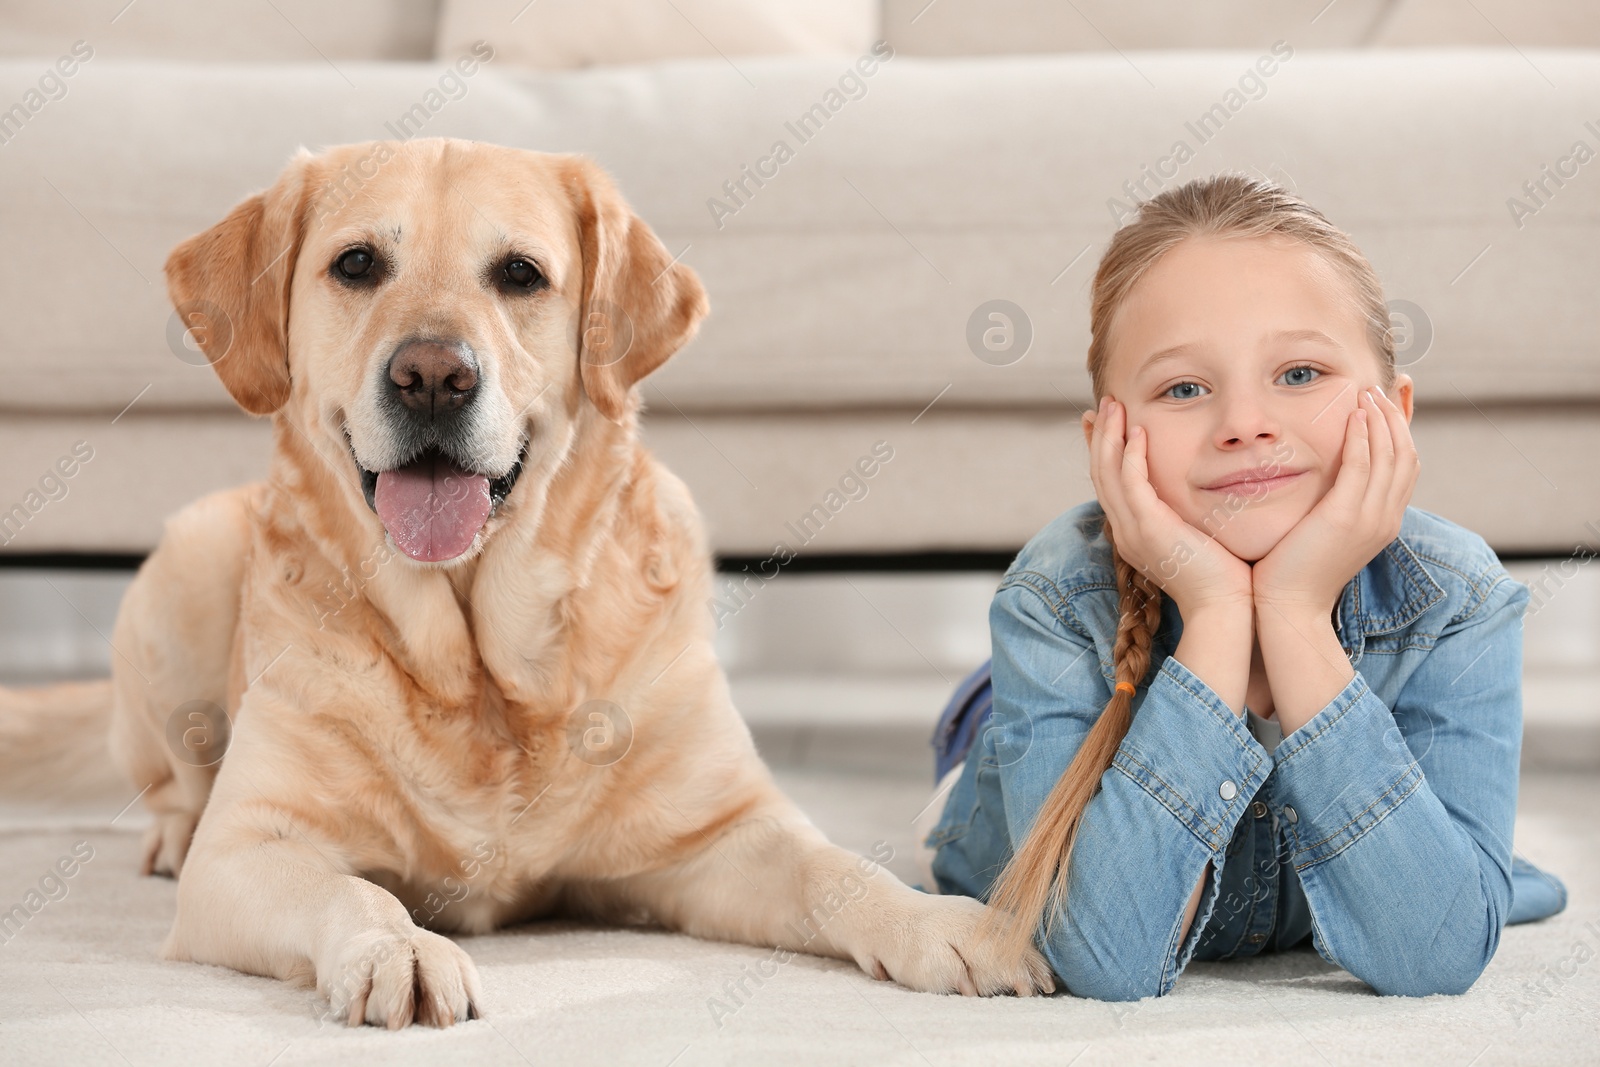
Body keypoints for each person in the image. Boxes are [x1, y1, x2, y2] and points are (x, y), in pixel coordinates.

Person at [911, 173, 1569, 1001]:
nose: (1245, 423)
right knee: (1003, 749)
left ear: (1394, 414)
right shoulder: (1053, 601)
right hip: (1034, 728)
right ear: (1107, 441)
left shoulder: (1459, 597)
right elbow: (1104, 958)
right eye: (1185, 388)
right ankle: (982, 711)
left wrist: (1291, 612)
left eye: (1299, 373)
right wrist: (1219, 610)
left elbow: (1435, 951)